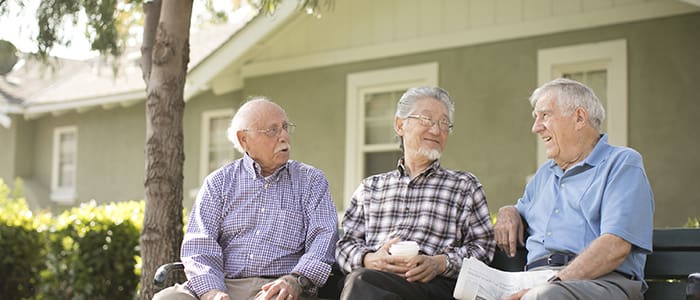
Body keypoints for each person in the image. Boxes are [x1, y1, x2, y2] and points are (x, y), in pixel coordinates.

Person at [153, 97, 338, 300]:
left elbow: (324, 240)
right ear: (244, 139)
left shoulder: (311, 181)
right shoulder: (218, 182)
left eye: (285, 127)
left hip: (278, 287)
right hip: (222, 284)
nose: (284, 136)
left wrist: (295, 280)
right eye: (273, 130)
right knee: (168, 298)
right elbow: (199, 247)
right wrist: (212, 293)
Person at [494, 78, 654, 300]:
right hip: (536, 282)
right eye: (535, 118)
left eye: (545, 115)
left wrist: (552, 284)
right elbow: (520, 210)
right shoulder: (543, 176)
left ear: (579, 117)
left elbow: (615, 245)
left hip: (600, 282)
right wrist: (507, 211)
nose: (536, 127)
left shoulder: (622, 164)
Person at [336, 86, 495, 300]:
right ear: (400, 125)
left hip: (434, 287)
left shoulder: (464, 185)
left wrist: (440, 263)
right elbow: (344, 245)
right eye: (427, 120)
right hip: (374, 280)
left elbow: (484, 249)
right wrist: (369, 259)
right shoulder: (370, 188)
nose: (437, 130)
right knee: (359, 281)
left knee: (360, 283)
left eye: (444, 123)